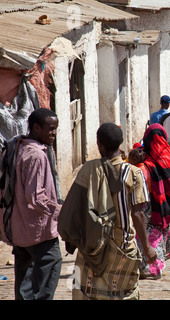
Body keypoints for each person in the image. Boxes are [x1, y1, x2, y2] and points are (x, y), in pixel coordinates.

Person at [68, 123, 156, 300]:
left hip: (91, 246)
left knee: (88, 293)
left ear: (99, 144)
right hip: (122, 245)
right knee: (124, 294)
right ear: (121, 143)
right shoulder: (134, 173)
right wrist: (147, 249)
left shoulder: (88, 169)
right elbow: (138, 214)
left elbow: (74, 208)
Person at [0, 108, 62, 300]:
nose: (54, 134)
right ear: (36, 128)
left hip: (17, 228)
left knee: (24, 277)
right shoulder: (36, 155)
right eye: (50, 129)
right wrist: (61, 211)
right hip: (36, 229)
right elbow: (35, 197)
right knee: (51, 262)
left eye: (56, 129)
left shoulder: (17, 146)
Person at [135, 124, 170, 279]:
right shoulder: (168, 156)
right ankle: (154, 266)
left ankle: (149, 267)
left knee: (147, 234)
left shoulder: (143, 161)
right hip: (162, 204)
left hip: (149, 204)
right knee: (154, 233)